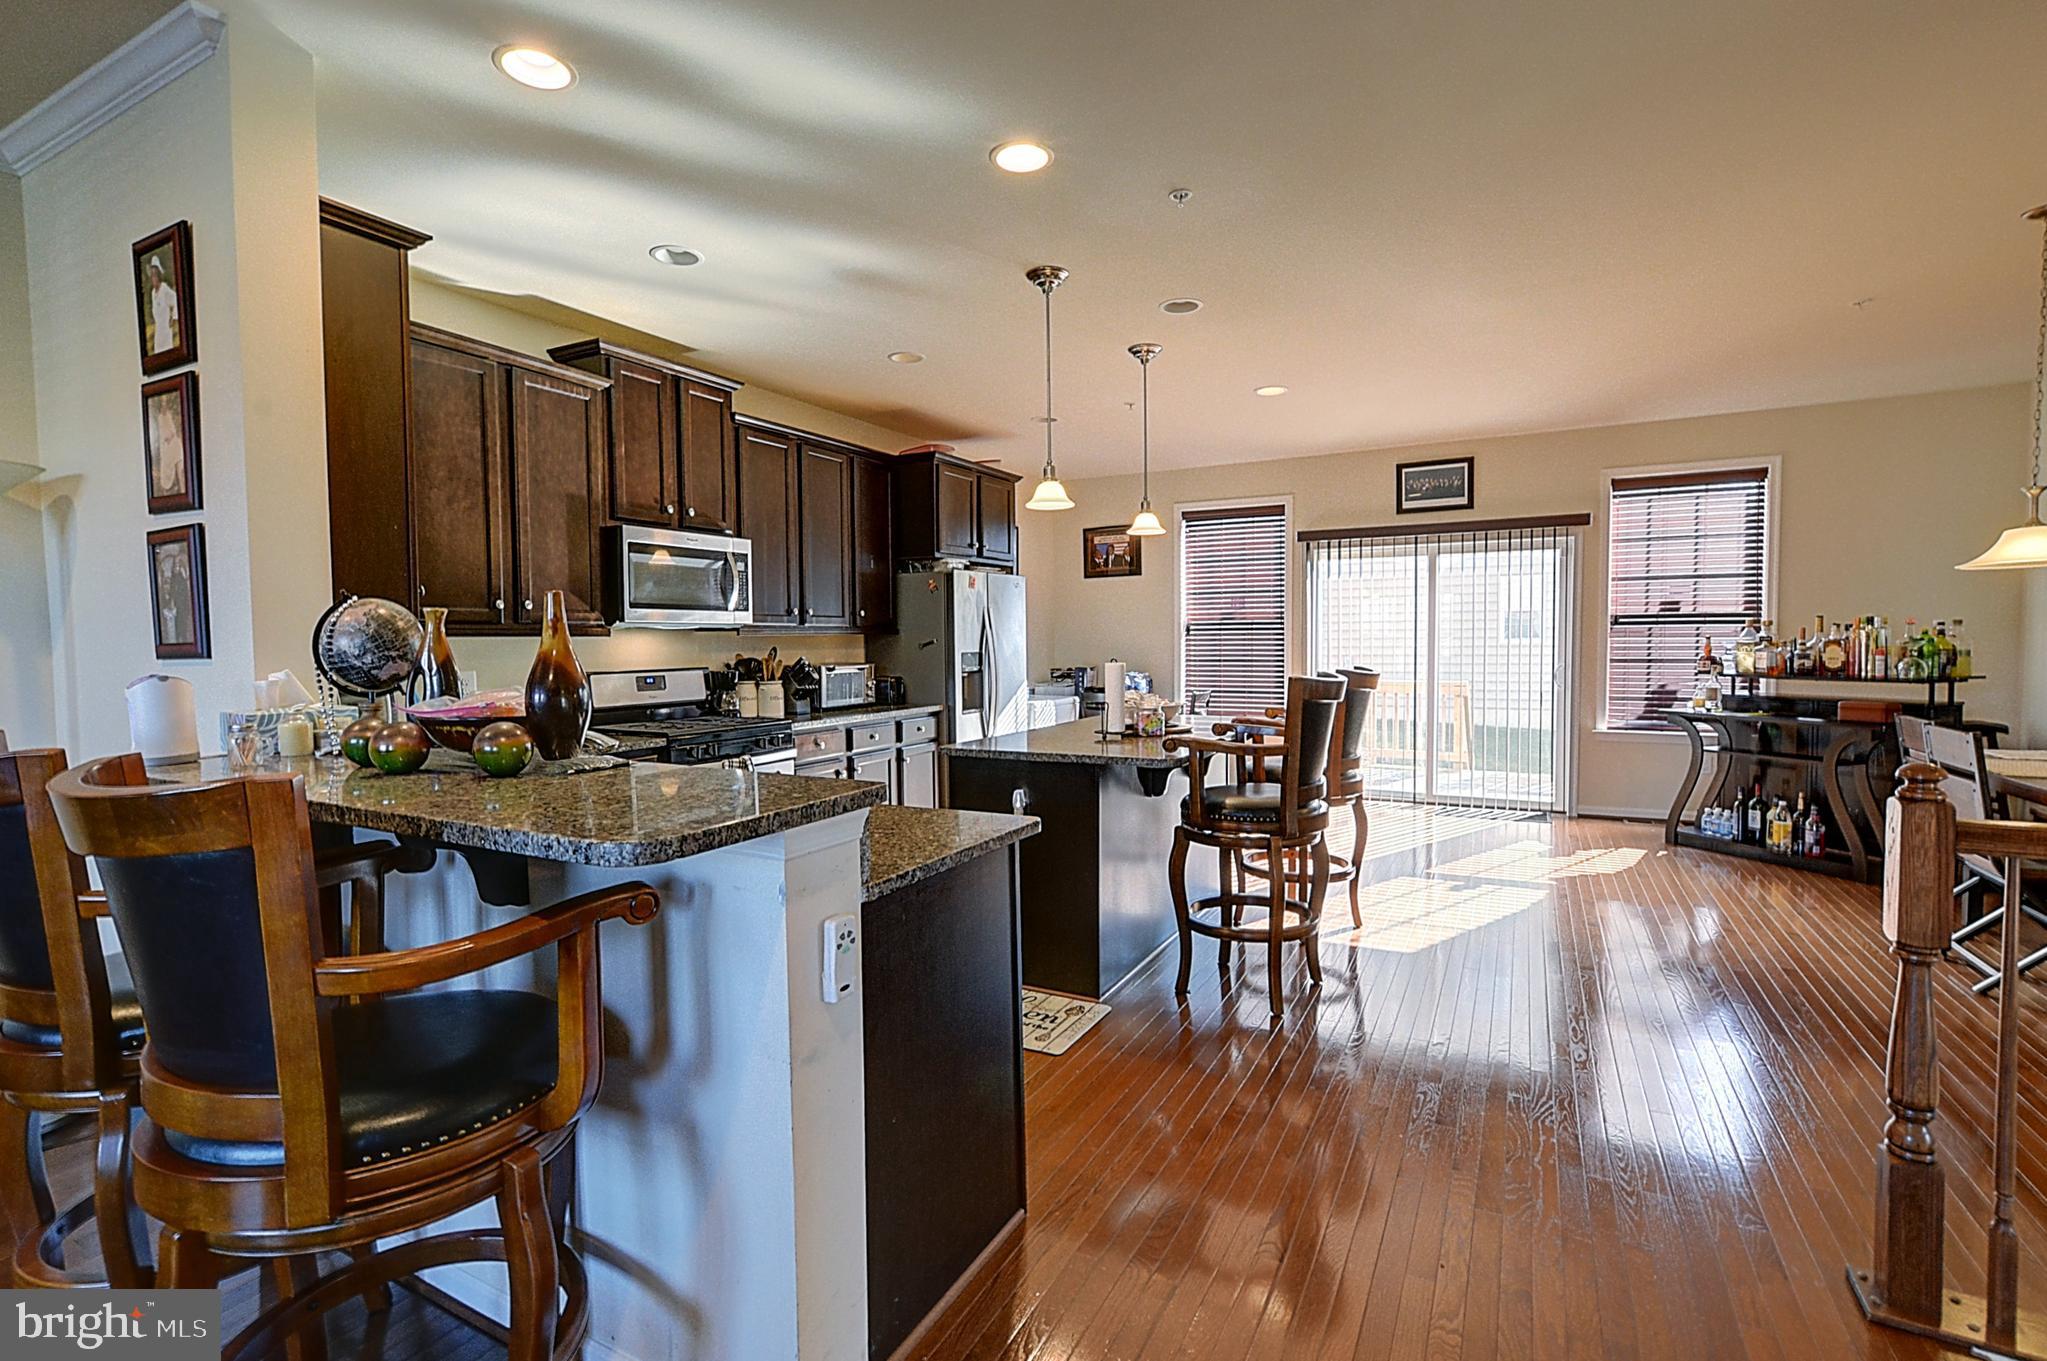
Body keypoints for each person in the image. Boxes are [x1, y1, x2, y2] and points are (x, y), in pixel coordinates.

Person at [151, 394, 185, 497]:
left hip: (175, 444)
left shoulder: (170, 415)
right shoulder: (160, 418)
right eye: (162, 403)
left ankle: (183, 490)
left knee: (181, 471)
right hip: (167, 448)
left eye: (165, 403)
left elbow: (173, 430)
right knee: (167, 470)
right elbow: (162, 435)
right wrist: (168, 438)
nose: (164, 406)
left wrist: (172, 436)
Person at [147, 256, 179, 355]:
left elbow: (175, 299)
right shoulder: (153, 293)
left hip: (165, 328)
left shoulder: (164, 289)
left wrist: (173, 317)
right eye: (152, 276)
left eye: (155, 275)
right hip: (158, 330)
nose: (154, 278)